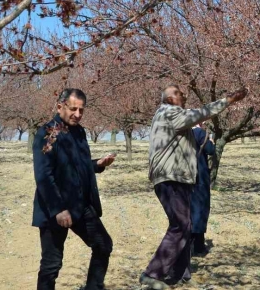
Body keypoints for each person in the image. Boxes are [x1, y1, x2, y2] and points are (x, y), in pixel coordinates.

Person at [140, 85, 248, 290]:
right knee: (180, 225)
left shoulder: (169, 116)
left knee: (185, 225)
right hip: (171, 177)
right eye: (181, 95)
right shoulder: (169, 112)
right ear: (170, 98)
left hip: (177, 179)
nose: (185, 97)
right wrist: (228, 100)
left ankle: (179, 273)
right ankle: (152, 274)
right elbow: (199, 114)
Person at [32, 88, 116, 290]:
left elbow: (79, 164)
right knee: (52, 264)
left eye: (81, 110)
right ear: (60, 106)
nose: (77, 115)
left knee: (103, 244)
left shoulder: (79, 132)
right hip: (56, 209)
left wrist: (98, 164)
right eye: (73, 109)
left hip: (81, 206)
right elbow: (44, 175)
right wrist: (58, 209)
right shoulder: (48, 133)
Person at [190, 123, 215, 256]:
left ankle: (188, 245)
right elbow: (210, 150)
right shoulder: (199, 133)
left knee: (188, 210)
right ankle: (198, 246)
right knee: (200, 210)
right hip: (199, 176)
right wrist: (211, 141)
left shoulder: (181, 134)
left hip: (184, 177)